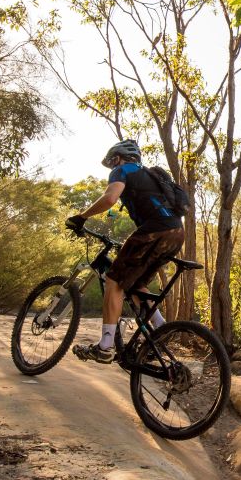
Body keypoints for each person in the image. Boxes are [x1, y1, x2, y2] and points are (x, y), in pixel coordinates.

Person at [67, 139, 185, 363]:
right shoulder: (151, 176)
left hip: (154, 231)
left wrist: (82, 217)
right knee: (134, 284)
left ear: (118, 158)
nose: (112, 167)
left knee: (114, 281)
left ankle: (105, 346)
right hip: (176, 233)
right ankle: (161, 329)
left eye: (112, 162)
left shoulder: (124, 170)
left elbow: (110, 198)